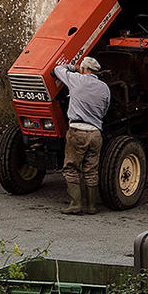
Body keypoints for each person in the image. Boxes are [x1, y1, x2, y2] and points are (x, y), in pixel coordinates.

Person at [52, 56, 111, 215]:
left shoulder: (76, 79)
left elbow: (57, 70)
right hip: (95, 133)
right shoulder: (104, 88)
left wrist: (74, 67)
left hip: (77, 131)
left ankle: (75, 204)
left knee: (71, 167)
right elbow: (105, 110)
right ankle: (92, 206)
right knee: (91, 170)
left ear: (84, 69)